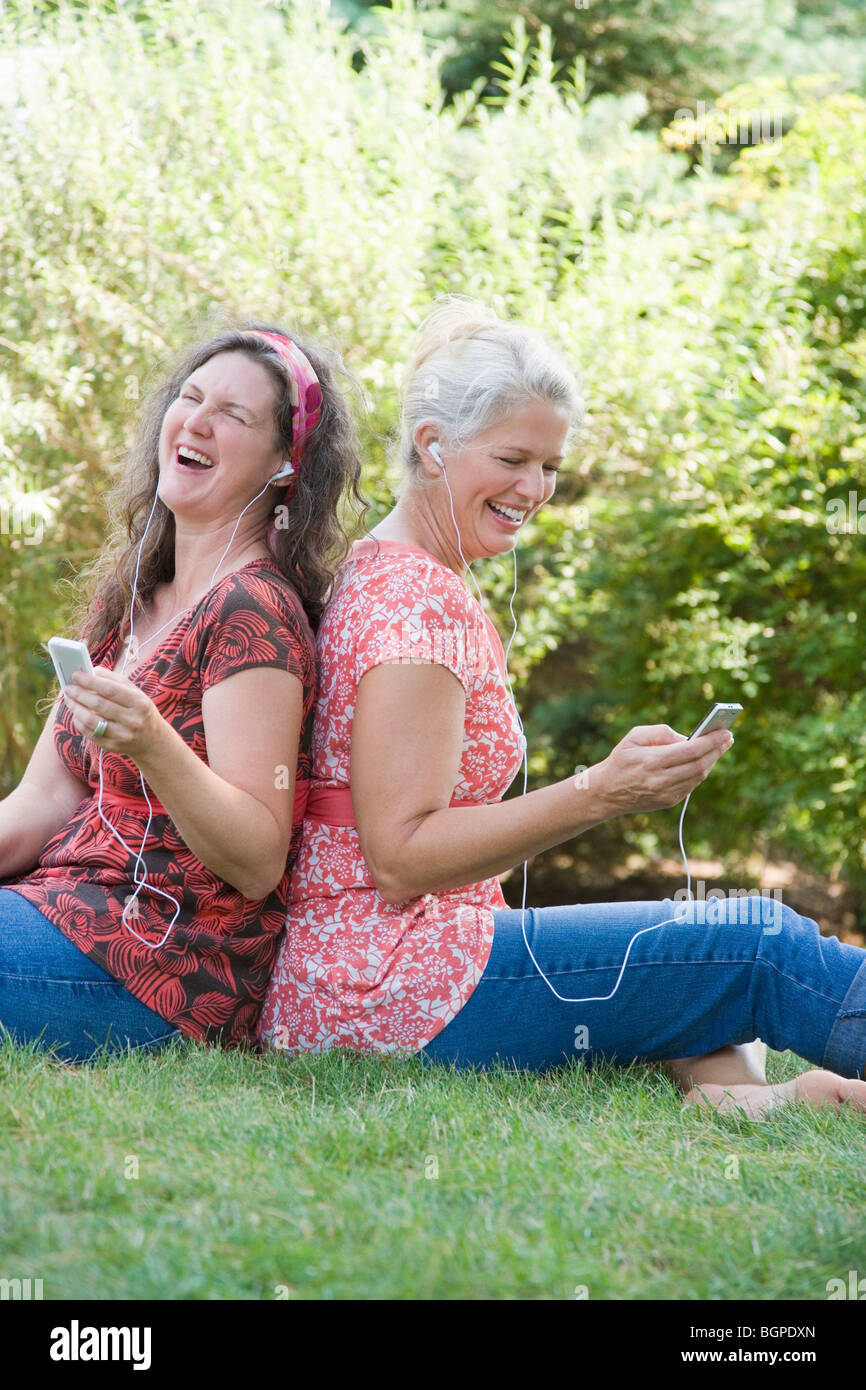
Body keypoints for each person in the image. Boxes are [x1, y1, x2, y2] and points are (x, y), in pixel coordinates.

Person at [259, 296, 866, 1119]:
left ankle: (741, 1100)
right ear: (432, 446)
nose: (534, 489)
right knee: (754, 941)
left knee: (691, 967)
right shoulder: (416, 605)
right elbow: (398, 855)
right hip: (393, 984)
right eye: (514, 458)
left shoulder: (392, 568)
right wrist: (601, 791)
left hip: (366, 980)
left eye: (549, 466)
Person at [0, 322, 364, 1062]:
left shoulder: (252, 611)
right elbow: (41, 804)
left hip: (156, 965)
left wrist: (151, 741)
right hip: (62, 909)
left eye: (232, 415)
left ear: (283, 467)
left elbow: (258, 856)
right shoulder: (135, 599)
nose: (195, 421)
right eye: (189, 397)